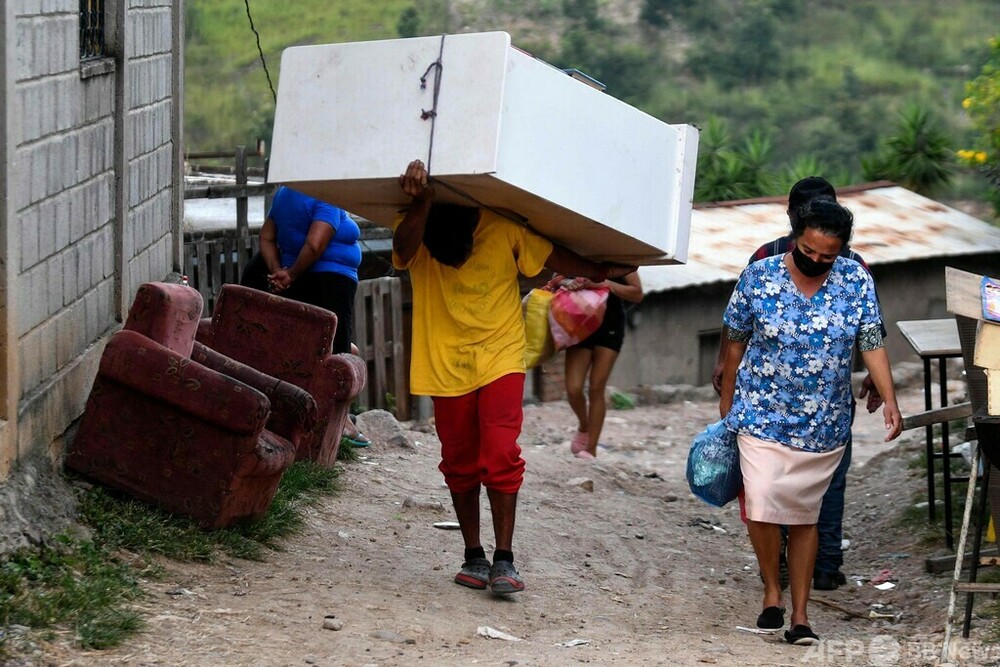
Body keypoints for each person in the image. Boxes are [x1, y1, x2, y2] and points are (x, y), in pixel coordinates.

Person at [393, 159, 634, 594]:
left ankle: (504, 559)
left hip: (501, 356)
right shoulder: (416, 223)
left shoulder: (503, 226)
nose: (458, 253)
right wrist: (422, 204)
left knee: (501, 455)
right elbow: (403, 251)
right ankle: (474, 554)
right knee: (460, 463)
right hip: (443, 361)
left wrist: (605, 269)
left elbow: (564, 259)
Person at [719, 196, 902, 646]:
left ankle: (800, 615)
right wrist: (727, 408)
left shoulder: (855, 279)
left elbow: (872, 342)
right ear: (795, 236)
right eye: (810, 250)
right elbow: (734, 345)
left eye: (828, 255)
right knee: (761, 503)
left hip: (824, 422)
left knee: (803, 518)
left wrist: (891, 398)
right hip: (761, 413)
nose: (817, 260)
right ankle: (771, 591)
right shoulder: (759, 276)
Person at [241, 185, 370, 446]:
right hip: (330, 280)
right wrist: (292, 274)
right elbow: (315, 243)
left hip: (299, 276)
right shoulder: (325, 193)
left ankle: (337, 416)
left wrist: (280, 271)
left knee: (333, 347)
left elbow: (266, 237)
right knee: (339, 348)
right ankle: (339, 422)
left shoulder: (284, 193)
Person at [560, 273, 644, 459]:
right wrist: (569, 282)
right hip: (580, 320)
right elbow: (557, 277)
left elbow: (637, 293)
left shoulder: (621, 252)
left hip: (610, 324)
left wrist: (604, 284)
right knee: (573, 388)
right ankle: (584, 425)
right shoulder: (581, 248)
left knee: (597, 387)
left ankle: (590, 449)